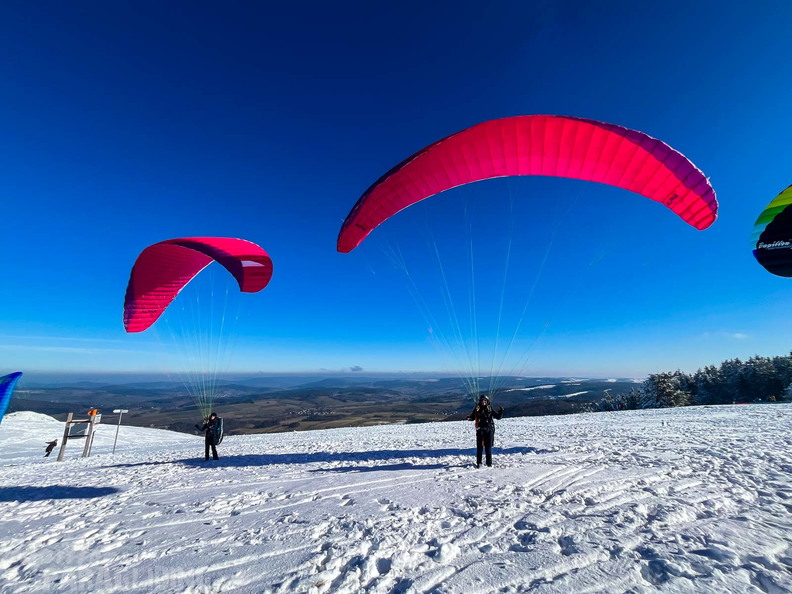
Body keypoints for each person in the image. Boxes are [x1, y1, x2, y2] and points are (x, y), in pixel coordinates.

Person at [467, 394, 503, 468]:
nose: (483, 402)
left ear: (487, 401)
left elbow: (498, 417)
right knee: (479, 447)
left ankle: (489, 463)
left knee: (488, 447)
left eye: (485, 400)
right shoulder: (477, 409)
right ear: (480, 401)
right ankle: (479, 463)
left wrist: (501, 411)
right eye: (482, 400)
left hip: (489, 430)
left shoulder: (490, 408)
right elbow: (472, 417)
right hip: (480, 430)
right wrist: (469, 418)